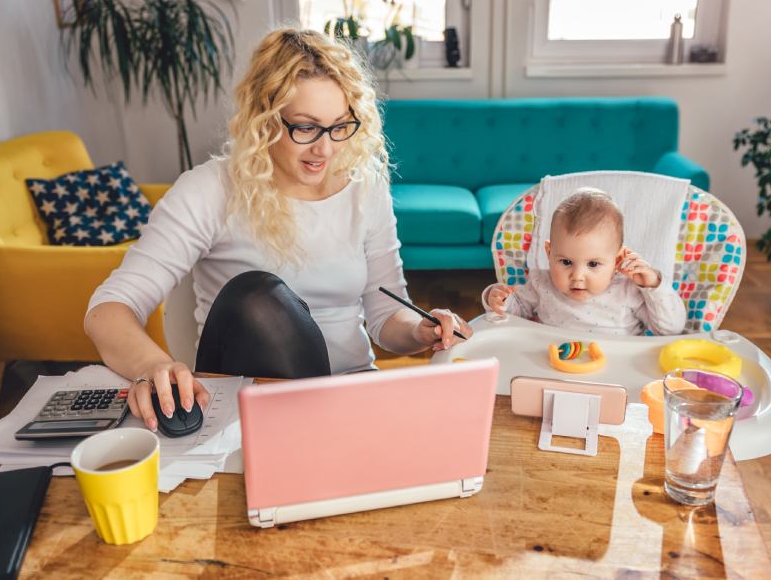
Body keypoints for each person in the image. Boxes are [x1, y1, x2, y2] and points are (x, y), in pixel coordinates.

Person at [84, 28, 472, 431]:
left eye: (340, 126)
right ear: (265, 118)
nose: (325, 149)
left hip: (350, 398)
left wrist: (421, 328)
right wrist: (153, 365)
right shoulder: (209, 190)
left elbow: (386, 316)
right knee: (259, 296)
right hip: (250, 406)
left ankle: (330, 434)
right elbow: (108, 309)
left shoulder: (365, 188)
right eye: (306, 128)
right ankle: (321, 435)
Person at [483, 187, 685, 336]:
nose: (577, 276)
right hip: (552, 365)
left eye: (593, 264)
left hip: (614, 372)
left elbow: (670, 329)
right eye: (566, 262)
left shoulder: (629, 291)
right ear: (549, 252)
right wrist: (501, 300)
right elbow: (515, 313)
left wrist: (653, 286)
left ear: (618, 260)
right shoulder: (541, 283)